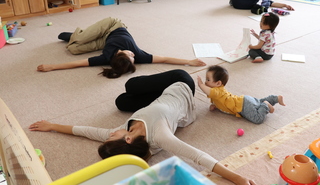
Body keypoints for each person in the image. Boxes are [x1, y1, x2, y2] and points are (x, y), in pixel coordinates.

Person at [29, 69, 256, 185]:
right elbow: (198, 156)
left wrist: (53, 126)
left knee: (122, 101)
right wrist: (236, 178)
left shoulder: (123, 133)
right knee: (131, 85)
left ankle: (141, 91)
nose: (109, 133)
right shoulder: (161, 136)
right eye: (112, 137)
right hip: (181, 85)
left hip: (160, 99)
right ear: (127, 140)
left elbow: (86, 131)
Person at [37, 17, 206, 78]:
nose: (133, 54)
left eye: (131, 56)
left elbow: (79, 63)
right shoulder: (138, 54)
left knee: (72, 49)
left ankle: (75, 37)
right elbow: (164, 58)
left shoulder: (107, 58)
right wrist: (188, 62)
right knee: (79, 40)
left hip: (106, 40)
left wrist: (52, 67)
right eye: (132, 56)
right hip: (111, 26)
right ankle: (78, 34)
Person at [197, 65, 285, 124]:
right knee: (258, 102)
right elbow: (221, 100)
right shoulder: (218, 91)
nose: (205, 82)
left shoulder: (216, 91)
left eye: (208, 80)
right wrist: (215, 105)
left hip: (242, 106)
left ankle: (266, 105)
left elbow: (207, 91)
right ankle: (275, 98)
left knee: (257, 119)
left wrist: (200, 84)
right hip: (243, 100)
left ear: (218, 83)